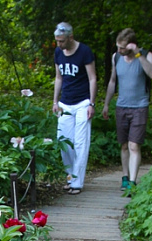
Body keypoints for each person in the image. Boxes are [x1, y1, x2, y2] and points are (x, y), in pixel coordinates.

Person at [102, 28, 152, 192]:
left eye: (123, 48)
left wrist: (138, 54)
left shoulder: (146, 55)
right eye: (118, 47)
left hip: (140, 107)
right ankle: (125, 177)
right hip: (121, 106)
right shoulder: (116, 57)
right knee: (124, 145)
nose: (119, 50)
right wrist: (106, 103)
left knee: (134, 145)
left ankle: (133, 182)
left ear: (132, 45)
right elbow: (113, 81)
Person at [52, 22, 97, 195]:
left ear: (70, 37)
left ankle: (77, 183)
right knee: (64, 142)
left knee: (80, 143)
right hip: (65, 102)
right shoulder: (58, 52)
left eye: (62, 41)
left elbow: (93, 78)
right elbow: (58, 77)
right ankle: (70, 177)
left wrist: (92, 103)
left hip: (82, 103)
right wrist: (55, 101)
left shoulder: (84, 52)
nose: (59, 44)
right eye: (57, 41)